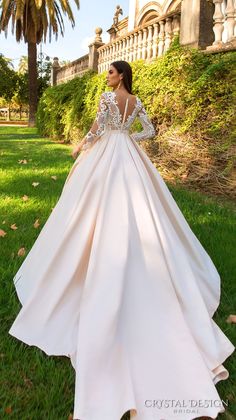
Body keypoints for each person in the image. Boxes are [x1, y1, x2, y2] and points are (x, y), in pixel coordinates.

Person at [9, 60, 235, 420]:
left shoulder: (107, 99)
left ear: (121, 75)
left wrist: (82, 146)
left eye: (112, 73)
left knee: (88, 205)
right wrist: (129, 137)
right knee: (139, 205)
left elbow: (97, 128)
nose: (108, 77)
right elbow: (150, 131)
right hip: (128, 154)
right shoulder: (136, 101)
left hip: (106, 155)